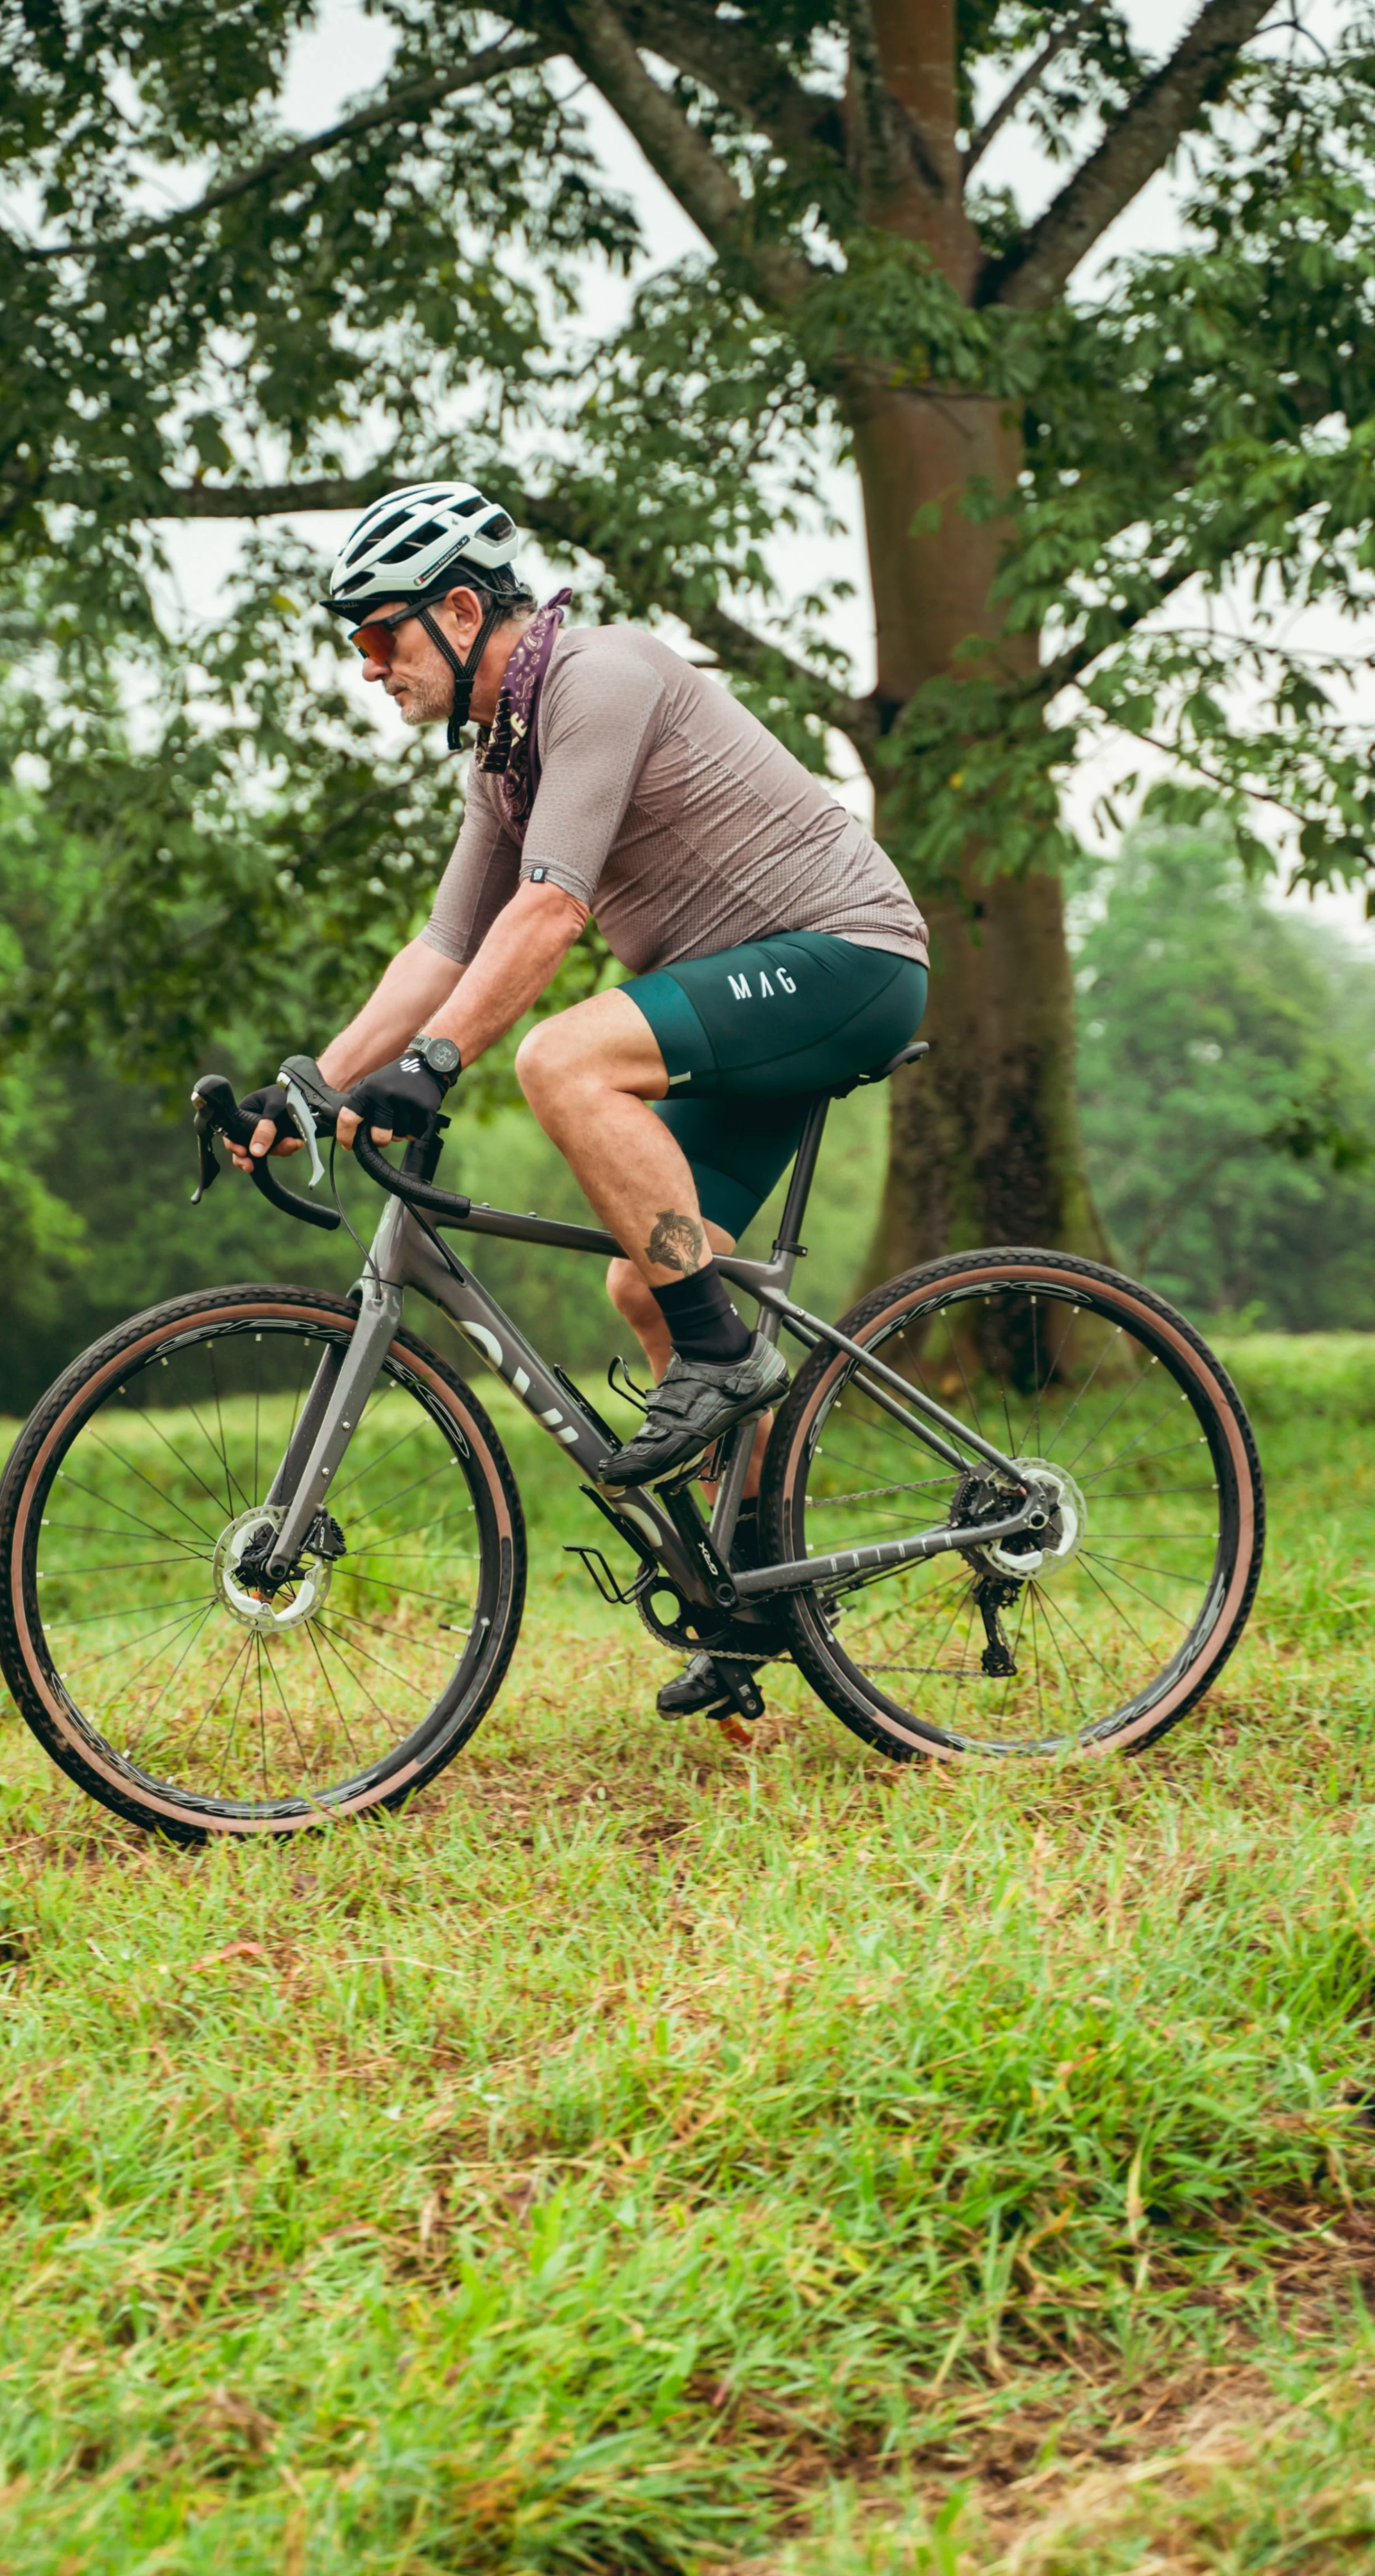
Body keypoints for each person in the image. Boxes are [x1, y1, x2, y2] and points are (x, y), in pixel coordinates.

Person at [233, 482, 928, 1716]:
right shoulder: (502, 764)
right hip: (758, 1002)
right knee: (649, 1278)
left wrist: (437, 1064)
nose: (366, 666)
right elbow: (440, 952)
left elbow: (546, 915)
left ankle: (721, 1359)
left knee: (563, 1057)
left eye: (377, 634)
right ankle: (756, 1590)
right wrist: (315, 1087)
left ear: (458, 608)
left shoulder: (598, 677)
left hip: (848, 960)